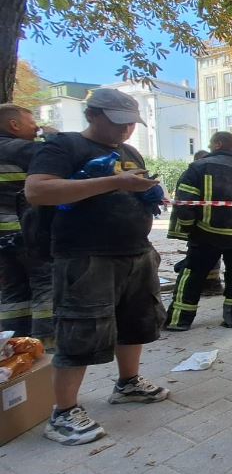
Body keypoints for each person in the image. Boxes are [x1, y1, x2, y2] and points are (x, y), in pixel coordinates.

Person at [25, 88, 169, 445]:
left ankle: (128, 383)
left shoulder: (129, 152)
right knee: (80, 330)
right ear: (92, 115)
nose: (125, 131)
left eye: (131, 124)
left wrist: (149, 194)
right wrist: (115, 182)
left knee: (135, 323)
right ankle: (63, 412)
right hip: (85, 256)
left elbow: (132, 187)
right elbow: (38, 191)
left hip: (135, 251)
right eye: (117, 123)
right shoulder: (64, 147)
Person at [164, 131, 232, 330]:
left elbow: (184, 203)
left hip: (205, 235)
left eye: (211, 144)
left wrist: (187, 228)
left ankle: (179, 320)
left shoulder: (198, 168)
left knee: (192, 275)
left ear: (218, 144)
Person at [0, 104, 53, 344]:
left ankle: (14, 343)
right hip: (27, 232)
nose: (36, 127)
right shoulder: (22, 149)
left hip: (3, 240)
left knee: (13, 292)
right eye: (32, 122)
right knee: (46, 284)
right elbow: (59, 156)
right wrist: (51, 135)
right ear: (14, 124)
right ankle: (47, 344)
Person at [168, 149, 223, 296]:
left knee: (203, 255)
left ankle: (209, 282)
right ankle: (210, 284)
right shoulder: (196, 174)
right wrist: (189, 225)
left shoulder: (192, 174)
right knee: (204, 256)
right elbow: (185, 202)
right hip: (202, 224)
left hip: (200, 224)